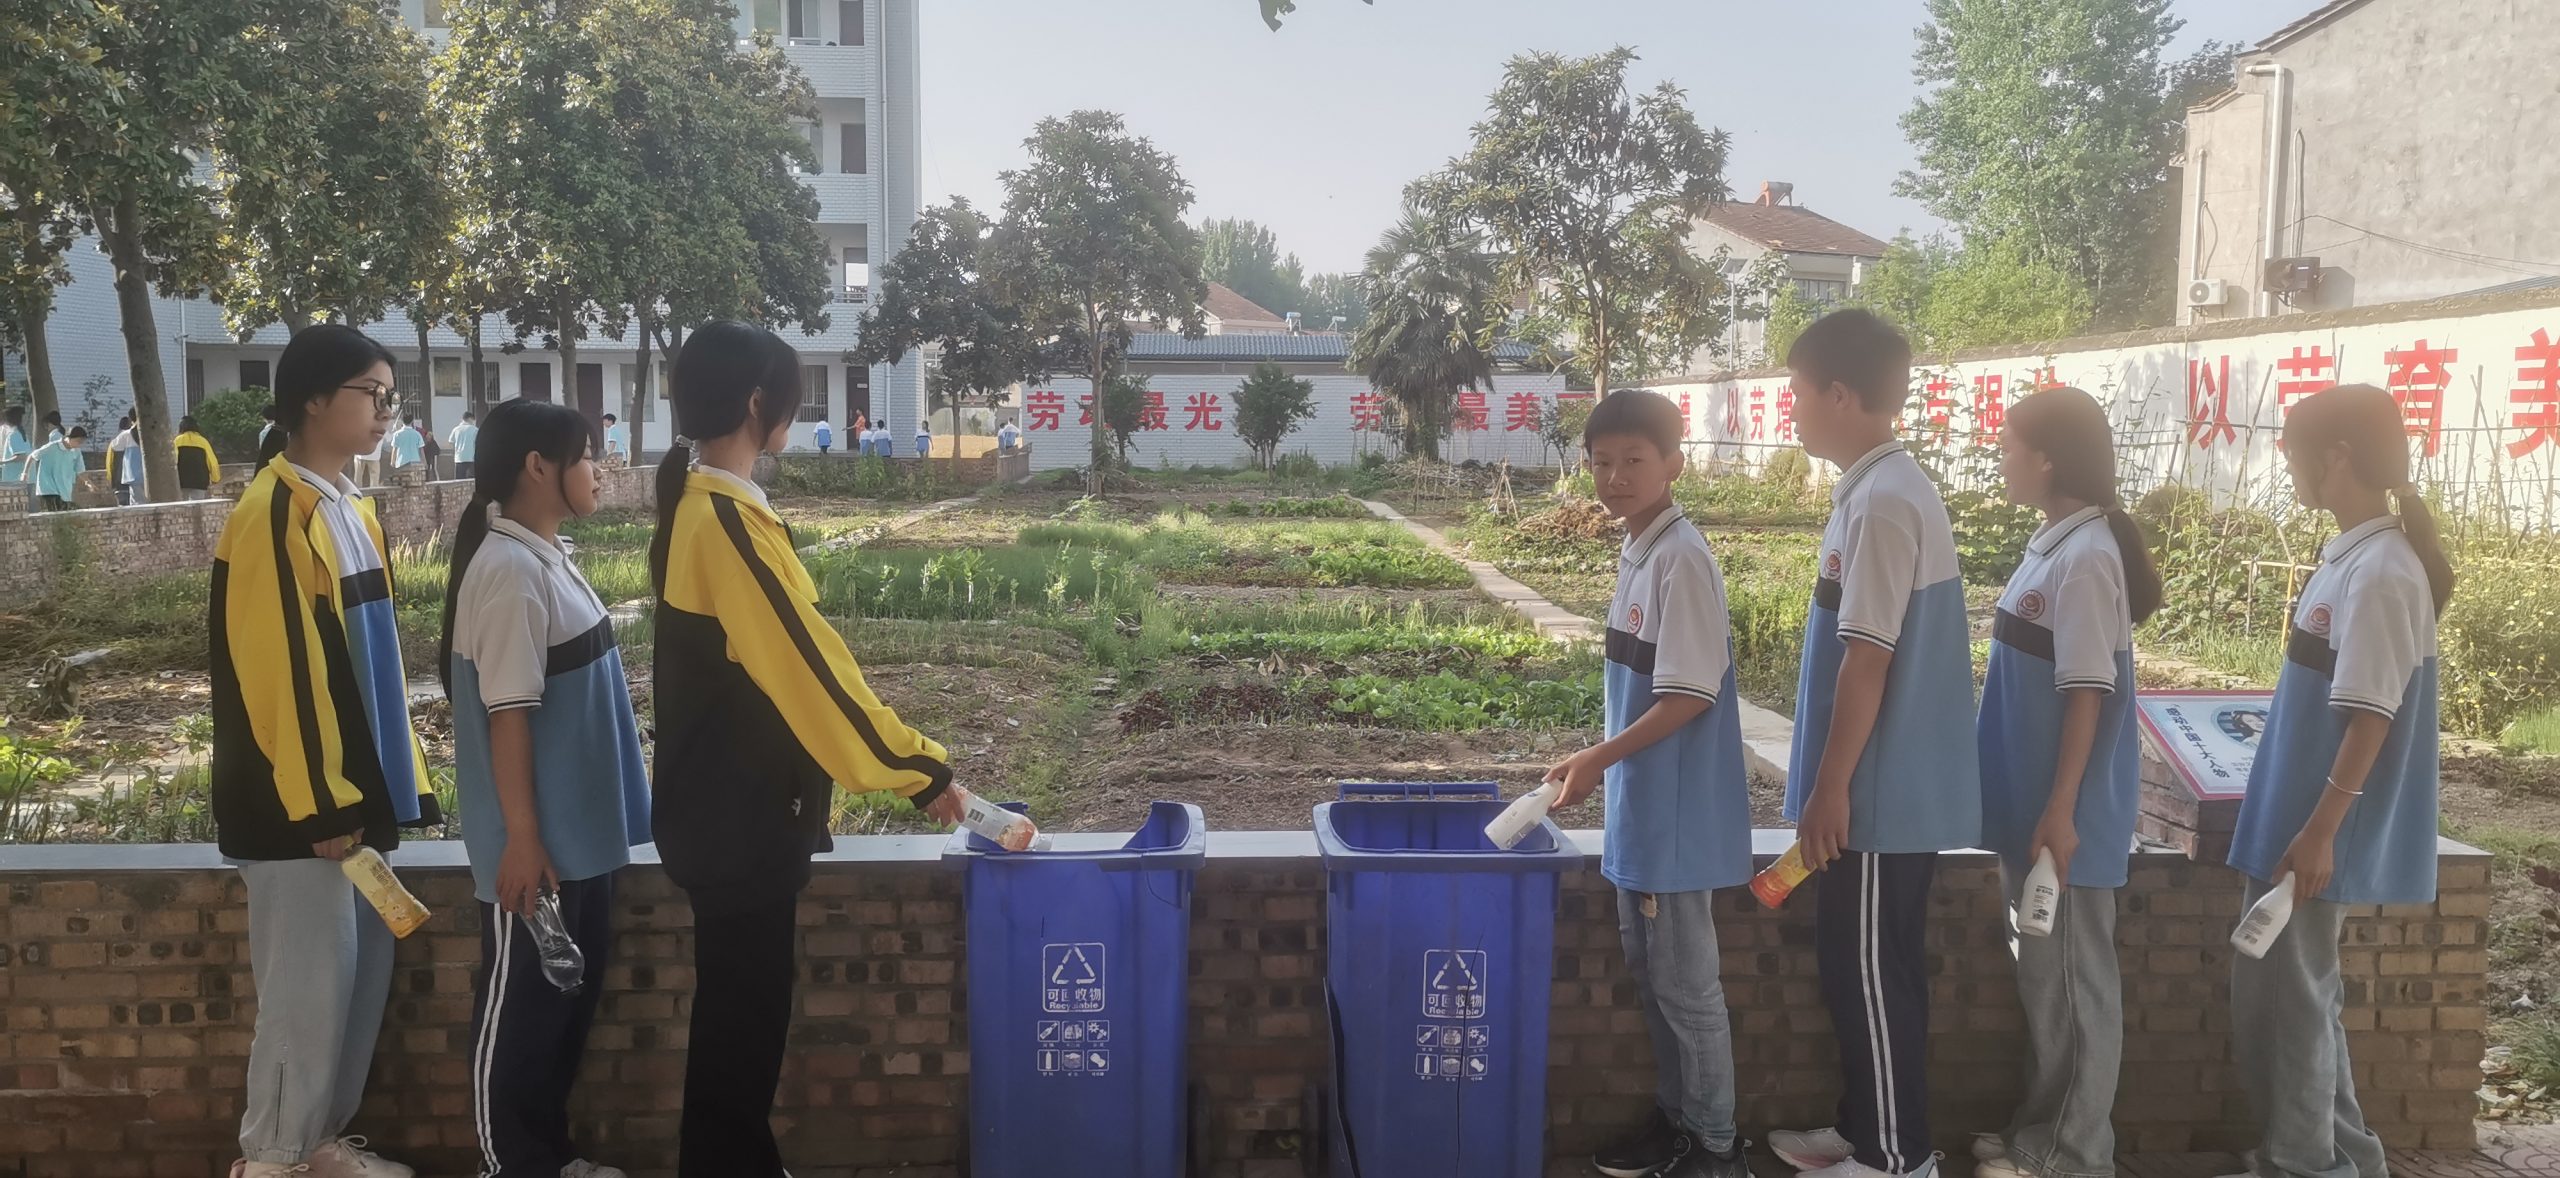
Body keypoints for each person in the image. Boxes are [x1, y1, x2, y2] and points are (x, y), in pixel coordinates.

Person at [649, 321, 973, 1177]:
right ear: (759, 405)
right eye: (789, 394)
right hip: (738, 826)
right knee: (741, 1033)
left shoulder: (705, 507)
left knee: (740, 1028)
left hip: (729, 820)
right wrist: (917, 770)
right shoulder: (721, 524)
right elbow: (813, 675)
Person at [212, 324, 436, 1178]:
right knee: (304, 998)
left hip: (351, 801)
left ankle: (319, 1152)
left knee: (352, 983)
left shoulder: (348, 509)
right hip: (299, 810)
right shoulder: (274, 512)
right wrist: (324, 806)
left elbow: (373, 670)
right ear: (313, 400)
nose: (386, 412)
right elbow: (285, 677)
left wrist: (393, 790)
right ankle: (271, 1158)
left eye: (390, 397)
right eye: (371, 394)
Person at [1768, 309, 1979, 1178]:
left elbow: (1869, 659)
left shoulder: (1886, 503)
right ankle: (1866, 1128)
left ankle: (1897, 1156)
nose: (1794, 412)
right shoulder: (1874, 490)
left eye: (1798, 395)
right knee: (1861, 966)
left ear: (1841, 395)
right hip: (1874, 789)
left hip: (1879, 794)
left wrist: (1830, 788)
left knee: (1871, 973)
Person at [2223, 384, 2452, 1178]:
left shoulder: (2383, 572)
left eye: (2291, 454)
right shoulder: (2353, 557)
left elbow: (2371, 719)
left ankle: (2304, 1165)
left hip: (2317, 827)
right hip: (2296, 815)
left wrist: (2320, 831)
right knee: (2297, 996)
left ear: (2337, 458)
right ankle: (2347, 1156)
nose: (2287, 470)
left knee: (2293, 1005)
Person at [1545, 389, 1751, 1178]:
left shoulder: (1681, 558)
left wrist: (1597, 758)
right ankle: (1679, 1122)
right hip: (1643, 809)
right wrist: (1602, 758)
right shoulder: (1641, 550)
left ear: (1674, 463)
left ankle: (1716, 1146)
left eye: (1635, 460)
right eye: (1601, 462)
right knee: (1655, 979)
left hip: (1675, 813)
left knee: (1687, 989)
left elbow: (1690, 694)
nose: (1616, 476)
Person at [440, 399, 647, 1178]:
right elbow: (510, 717)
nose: (599, 469)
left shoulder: (546, 556)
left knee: (563, 1012)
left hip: (579, 842)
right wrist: (522, 840)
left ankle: (551, 1159)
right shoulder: (507, 573)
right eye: (587, 455)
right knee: (520, 1018)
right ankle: (512, 1166)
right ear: (538, 466)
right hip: (540, 852)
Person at [1972, 388, 2165, 1178]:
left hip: (2065, 814)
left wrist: (2061, 807)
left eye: (2009, 444)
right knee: (2046, 980)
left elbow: (2088, 691)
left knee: (2078, 986)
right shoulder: (2054, 543)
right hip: (2033, 805)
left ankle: (2075, 1152)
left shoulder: (2086, 558)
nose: (2001, 457)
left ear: (2048, 457)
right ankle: (2039, 1130)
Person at [29, 426, 85, 511]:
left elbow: (80, 470)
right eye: (77, 441)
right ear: (68, 438)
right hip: (48, 489)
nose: (78, 444)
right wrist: (25, 473)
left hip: (64, 490)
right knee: (53, 517)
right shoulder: (51, 447)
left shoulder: (76, 451)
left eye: (81, 442)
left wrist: (88, 483)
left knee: (65, 517)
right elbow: (32, 456)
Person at [176, 415, 221, 501]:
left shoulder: (177, 441)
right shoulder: (203, 441)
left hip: (181, 482)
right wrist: (215, 478)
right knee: (197, 507)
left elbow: (173, 461)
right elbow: (212, 462)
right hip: (200, 482)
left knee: (182, 508)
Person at [110, 414, 141, 505]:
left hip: (133, 475)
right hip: (150, 475)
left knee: (136, 503)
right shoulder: (154, 432)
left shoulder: (126, 434)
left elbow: (115, 446)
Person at [0, 406, 30, 483]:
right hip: (20, 478)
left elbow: (21, 456)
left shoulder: (14, 435)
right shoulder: (21, 433)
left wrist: (2, 462)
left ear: (7, 420)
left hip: (15, 479)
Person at [451, 410, 481, 480]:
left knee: (459, 481)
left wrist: (455, 452)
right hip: (472, 458)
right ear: (470, 419)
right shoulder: (475, 430)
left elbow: (451, 442)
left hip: (459, 459)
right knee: (473, 481)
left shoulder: (456, 429)